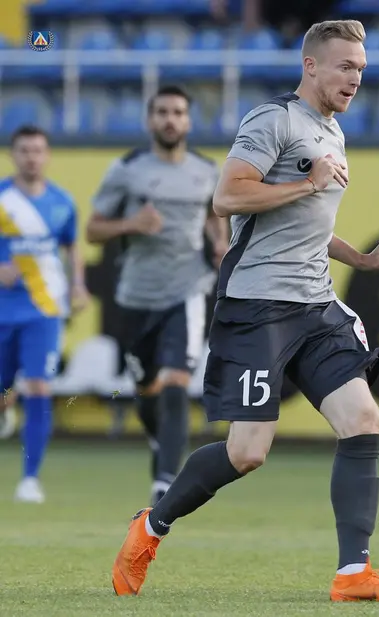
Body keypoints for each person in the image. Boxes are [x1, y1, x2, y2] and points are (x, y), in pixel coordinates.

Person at [111, 20, 379, 602]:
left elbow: (306, 226)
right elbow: (228, 197)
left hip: (316, 304)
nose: (356, 78)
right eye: (345, 66)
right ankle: (150, 526)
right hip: (259, 306)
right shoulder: (272, 120)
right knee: (248, 452)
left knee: (364, 421)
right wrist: (307, 183)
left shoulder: (332, 132)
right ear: (311, 65)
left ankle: (353, 574)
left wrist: (361, 258)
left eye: (361, 68)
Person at [86, 85, 229, 506]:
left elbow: (213, 215)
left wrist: (219, 242)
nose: (170, 119)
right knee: (147, 389)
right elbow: (93, 229)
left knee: (176, 380)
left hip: (187, 289)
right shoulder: (127, 169)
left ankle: (165, 482)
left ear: (188, 121)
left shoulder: (206, 171)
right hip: (136, 295)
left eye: (178, 112)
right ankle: (159, 441)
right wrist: (131, 224)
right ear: (150, 120)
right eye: (163, 112)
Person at [0, 125, 89, 503]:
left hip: (44, 309)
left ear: (47, 155)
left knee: (39, 386)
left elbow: (71, 247)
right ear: (13, 154)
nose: (31, 157)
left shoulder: (61, 201)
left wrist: (78, 285)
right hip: (3, 309)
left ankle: (30, 479)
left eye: (38, 150)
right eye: (24, 150)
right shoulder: (3, 198)